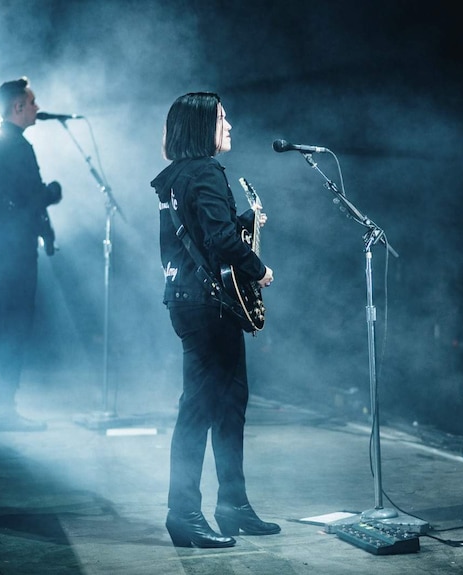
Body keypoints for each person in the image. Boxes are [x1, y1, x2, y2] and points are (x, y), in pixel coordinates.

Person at [150, 92, 279, 548]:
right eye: (223, 117)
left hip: (191, 301)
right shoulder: (205, 170)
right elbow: (221, 239)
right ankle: (183, 513)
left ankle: (233, 505)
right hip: (207, 307)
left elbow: (207, 229)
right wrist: (258, 269)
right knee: (200, 409)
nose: (230, 124)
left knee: (228, 405)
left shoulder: (180, 175)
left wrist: (244, 219)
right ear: (203, 124)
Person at [0, 76, 62, 432]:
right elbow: (30, 198)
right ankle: (6, 409)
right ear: (18, 107)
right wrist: (53, 193)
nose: (37, 108)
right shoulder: (19, 147)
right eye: (32, 102)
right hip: (14, 245)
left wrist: (44, 229)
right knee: (17, 320)